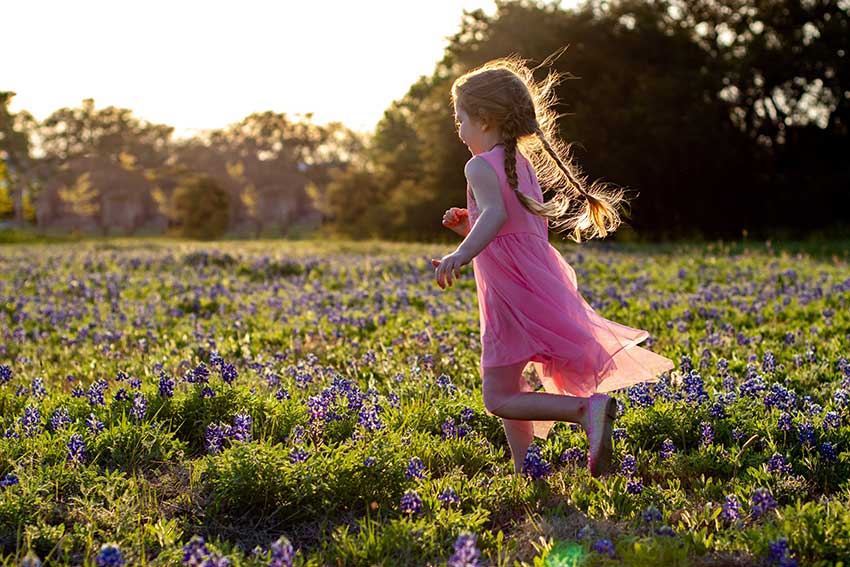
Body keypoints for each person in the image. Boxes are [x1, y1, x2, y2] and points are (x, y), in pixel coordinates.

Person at [431, 53, 675, 478]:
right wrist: (467, 230)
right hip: (533, 281)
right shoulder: (519, 165)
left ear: (485, 119)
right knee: (510, 387)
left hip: (508, 293)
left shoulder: (477, 165)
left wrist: (461, 252)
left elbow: (496, 218)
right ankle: (525, 468)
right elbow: (513, 227)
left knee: (498, 397)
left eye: (461, 119)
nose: (459, 130)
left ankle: (585, 410)